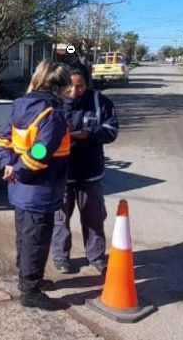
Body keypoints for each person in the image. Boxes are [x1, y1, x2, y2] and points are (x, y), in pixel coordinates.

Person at [0, 60, 71, 309]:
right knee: (36, 241)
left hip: (19, 189)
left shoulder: (21, 105)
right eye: (67, 86)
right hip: (39, 190)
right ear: (58, 87)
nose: (70, 91)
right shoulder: (53, 114)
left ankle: (28, 279)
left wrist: (8, 165)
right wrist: (18, 170)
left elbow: (4, 139)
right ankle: (30, 291)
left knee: (25, 239)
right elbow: (39, 152)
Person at [51, 69, 118, 275]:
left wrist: (89, 133)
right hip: (61, 173)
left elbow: (112, 130)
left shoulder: (100, 102)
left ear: (86, 85)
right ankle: (61, 257)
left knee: (93, 218)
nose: (73, 91)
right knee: (60, 219)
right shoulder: (54, 103)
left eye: (79, 86)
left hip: (90, 172)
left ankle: (96, 257)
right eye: (69, 86)